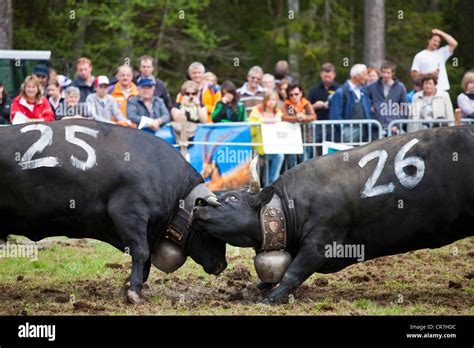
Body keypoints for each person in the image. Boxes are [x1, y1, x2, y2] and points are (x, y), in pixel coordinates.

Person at [248, 91, 284, 184]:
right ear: (265, 101)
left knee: (279, 156)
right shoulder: (256, 112)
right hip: (258, 148)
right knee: (257, 170)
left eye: (274, 99)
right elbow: (251, 131)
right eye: (269, 99)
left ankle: (273, 183)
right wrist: (262, 121)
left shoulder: (279, 113)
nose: (271, 102)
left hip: (274, 146)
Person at [329, 64, 371, 142]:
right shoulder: (341, 92)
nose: (367, 77)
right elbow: (335, 116)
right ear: (357, 76)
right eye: (365, 74)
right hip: (348, 132)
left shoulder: (363, 91)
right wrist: (344, 130)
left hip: (364, 130)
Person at [366, 61, 408, 135]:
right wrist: (371, 107)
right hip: (375, 126)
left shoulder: (400, 87)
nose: (385, 75)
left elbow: (404, 108)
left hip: (392, 126)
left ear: (393, 73)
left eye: (388, 73)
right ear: (381, 72)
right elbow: (365, 101)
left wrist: (397, 125)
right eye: (383, 72)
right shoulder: (372, 87)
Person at [171, 80, 208, 158]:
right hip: (182, 138)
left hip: (198, 138)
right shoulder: (178, 105)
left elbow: (204, 120)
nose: (191, 96)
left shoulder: (201, 105)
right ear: (183, 94)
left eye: (194, 93)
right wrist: (183, 106)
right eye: (187, 94)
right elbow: (178, 118)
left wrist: (198, 106)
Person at [283, 82, 316, 164]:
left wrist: (304, 117)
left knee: (305, 162)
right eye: (291, 95)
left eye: (296, 94)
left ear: (301, 93)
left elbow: (313, 116)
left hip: (306, 138)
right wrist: (297, 118)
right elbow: (285, 117)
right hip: (292, 138)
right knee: (293, 163)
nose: (294, 97)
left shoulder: (305, 103)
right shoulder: (288, 105)